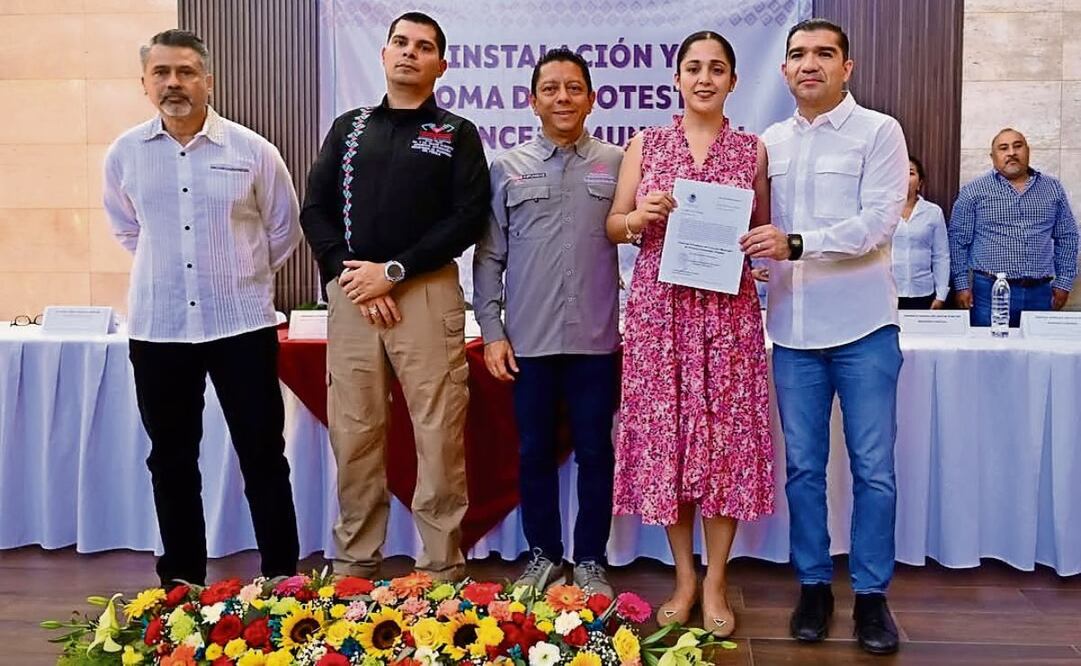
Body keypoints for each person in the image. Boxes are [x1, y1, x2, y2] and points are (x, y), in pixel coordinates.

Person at [103, 29, 301, 588]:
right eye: (161, 73)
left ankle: (282, 577)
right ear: (144, 84)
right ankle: (183, 579)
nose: (174, 83)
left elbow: (282, 230)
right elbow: (127, 229)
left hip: (241, 325)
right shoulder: (124, 154)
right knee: (170, 459)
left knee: (262, 454)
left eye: (186, 72)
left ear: (208, 81)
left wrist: (239, 276)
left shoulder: (253, 150)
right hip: (159, 328)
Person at [300, 12, 489, 582]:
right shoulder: (349, 128)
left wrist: (397, 272)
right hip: (354, 292)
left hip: (427, 293)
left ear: (441, 65)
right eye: (401, 43)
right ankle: (354, 561)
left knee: (437, 431)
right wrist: (355, 277)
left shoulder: (455, 132)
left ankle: (440, 567)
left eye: (424, 46)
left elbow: (467, 218)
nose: (410, 53)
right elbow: (315, 210)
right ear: (384, 55)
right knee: (354, 430)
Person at [741, 19, 909, 655]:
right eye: (798, 55)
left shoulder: (879, 132)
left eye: (823, 54)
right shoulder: (768, 143)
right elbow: (753, 223)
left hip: (865, 328)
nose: (809, 64)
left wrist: (797, 245)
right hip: (791, 331)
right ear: (783, 70)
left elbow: (876, 224)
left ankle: (871, 596)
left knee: (874, 471)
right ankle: (813, 585)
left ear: (848, 66)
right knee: (804, 470)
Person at [608, 31, 774, 639]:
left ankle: (717, 579)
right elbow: (613, 224)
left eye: (717, 69)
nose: (704, 78)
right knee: (668, 444)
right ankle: (682, 575)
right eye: (693, 68)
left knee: (725, 446)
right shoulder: (645, 145)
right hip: (661, 315)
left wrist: (759, 247)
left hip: (728, 317)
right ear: (676, 79)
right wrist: (638, 217)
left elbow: (762, 230)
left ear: (734, 80)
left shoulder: (751, 150)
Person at [473, 49, 622, 598]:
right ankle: (543, 556)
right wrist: (492, 331)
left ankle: (589, 558)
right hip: (528, 343)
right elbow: (489, 257)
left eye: (574, 88)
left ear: (592, 97)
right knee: (533, 450)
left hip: (596, 340)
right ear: (532, 100)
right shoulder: (507, 167)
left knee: (595, 451)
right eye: (551, 89)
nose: (563, 98)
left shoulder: (618, 162)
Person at [949, 128, 1078, 326]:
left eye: (1017, 146)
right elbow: (958, 240)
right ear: (993, 157)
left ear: (1028, 151)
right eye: (1003, 148)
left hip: (1041, 293)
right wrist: (961, 285)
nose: (1011, 153)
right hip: (989, 293)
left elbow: (1067, 236)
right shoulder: (973, 191)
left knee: (1038, 354)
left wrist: (1064, 283)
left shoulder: (1052, 188)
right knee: (991, 352)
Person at [891, 156, 949, 309]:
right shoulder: (882, 211)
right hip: (888, 294)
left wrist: (941, 294)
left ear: (920, 182)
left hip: (923, 294)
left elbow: (941, 256)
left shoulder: (933, 212)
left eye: (910, 173)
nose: (904, 176)